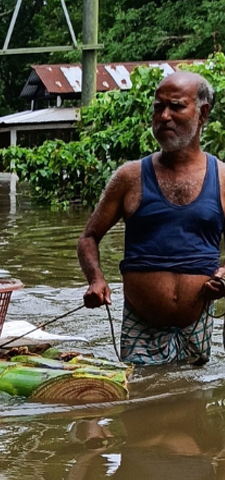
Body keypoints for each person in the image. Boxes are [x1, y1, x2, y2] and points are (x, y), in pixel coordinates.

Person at [77, 71, 225, 365]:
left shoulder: (222, 178)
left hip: (198, 323)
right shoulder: (130, 177)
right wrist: (96, 280)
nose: (164, 116)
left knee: (193, 399)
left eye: (176, 106)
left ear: (203, 113)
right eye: (158, 107)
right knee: (139, 400)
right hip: (140, 327)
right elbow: (88, 238)